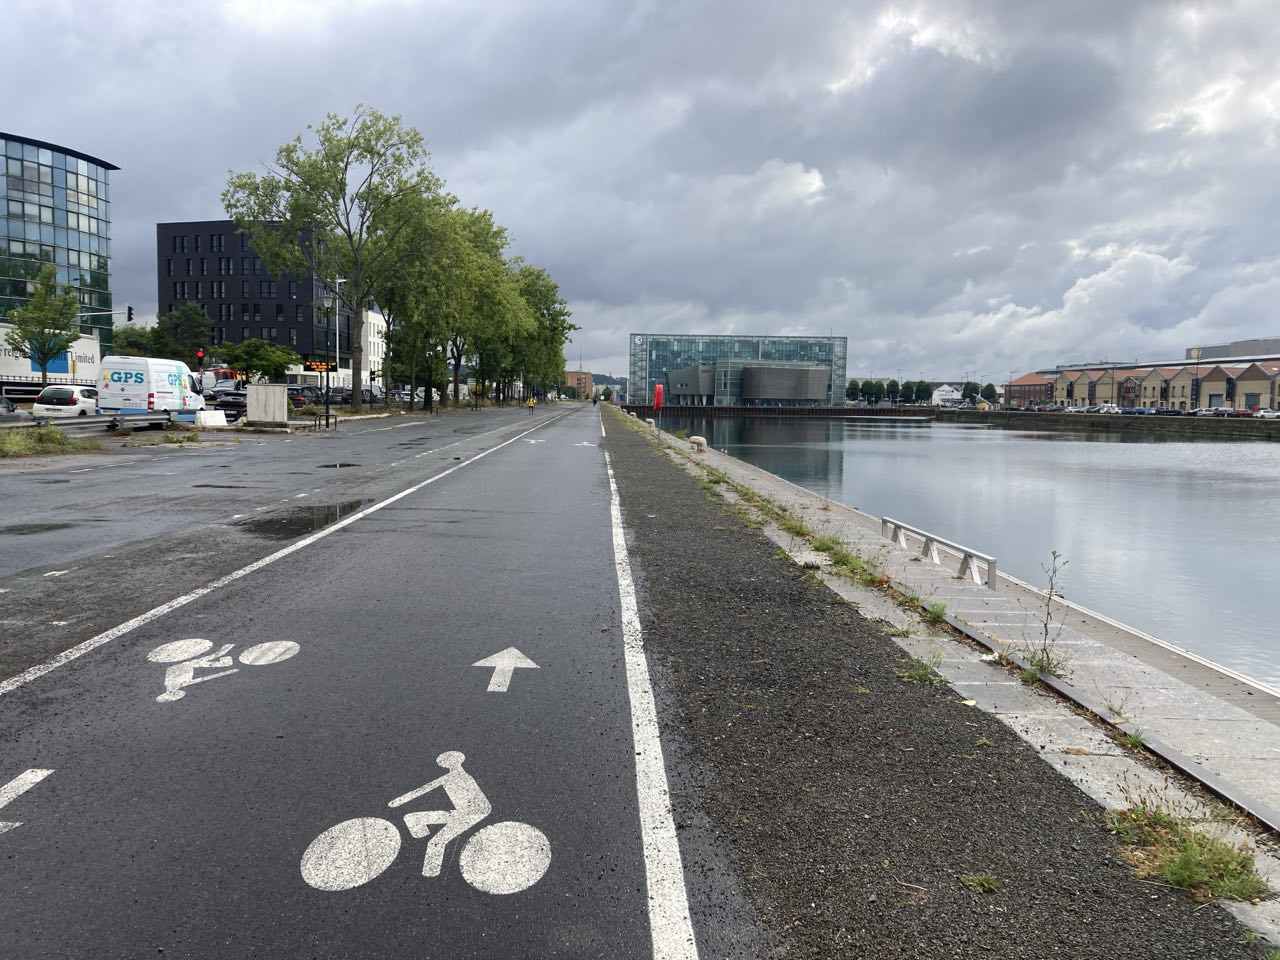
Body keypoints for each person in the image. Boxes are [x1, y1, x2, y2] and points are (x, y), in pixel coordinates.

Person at [389, 751, 491, 877]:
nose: (450, 764)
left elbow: (422, 790)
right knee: (412, 819)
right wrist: (398, 801)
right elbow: (424, 789)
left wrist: (398, 802)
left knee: (435, 842)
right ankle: (421, 839)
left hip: (471, 813)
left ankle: (430, 874)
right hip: (466, 812)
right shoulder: (460, 776)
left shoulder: (454, 777)